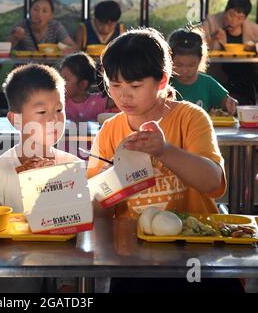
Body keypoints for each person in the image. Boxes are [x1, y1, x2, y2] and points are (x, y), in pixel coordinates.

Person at [87, 27, 247, 293]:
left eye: (135, 86)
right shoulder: (110, 131)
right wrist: (110, 180)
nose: (124, 95)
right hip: (135, 259)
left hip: (198, 254)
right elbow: (98, 210)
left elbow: (214, 183)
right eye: (114, 85)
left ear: (162, 80)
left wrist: (165, 151)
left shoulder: (190, 118)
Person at [0, 63, 79, 293]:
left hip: (64, 269)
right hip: (12, 271)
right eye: (42, 112)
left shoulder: (71, 166)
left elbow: (78, 236)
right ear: (16, 120)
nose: (54, 119)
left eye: (59, 109)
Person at [202, 0, 258, 105]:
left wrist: (253, 47)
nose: (233, 21)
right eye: (231, 15)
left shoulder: (252, 28)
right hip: (217, 74)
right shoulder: (211, 22)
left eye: (239, 18)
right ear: (225, 11)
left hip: (246, 76)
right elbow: (200, 46)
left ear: (245, 18)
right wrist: (212, 39)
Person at [168, 27, 238, 114]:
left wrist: (231, 104)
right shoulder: (165, 83)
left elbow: (227, 102)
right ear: (169, 60)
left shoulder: (207, 83)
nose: (185, 70)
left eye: (191, 65)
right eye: (179, 65)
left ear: (200, 60)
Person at [10, 0, 77, 53]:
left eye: (44, 11)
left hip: (49, 67)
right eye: (36, 9)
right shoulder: (21, 26)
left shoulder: (56, 27)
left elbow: (73, 47)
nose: (39, 14)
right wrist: (15, 38)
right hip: (24, 67)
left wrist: (67, 50)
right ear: (30, 11)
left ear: (51, 16)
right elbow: (6, 49)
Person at [59, 52, 109, 122]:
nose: (59, 83)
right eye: (59, 78)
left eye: (65, 80)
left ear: (82, 84)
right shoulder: (59, 103)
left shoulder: (99, 102)